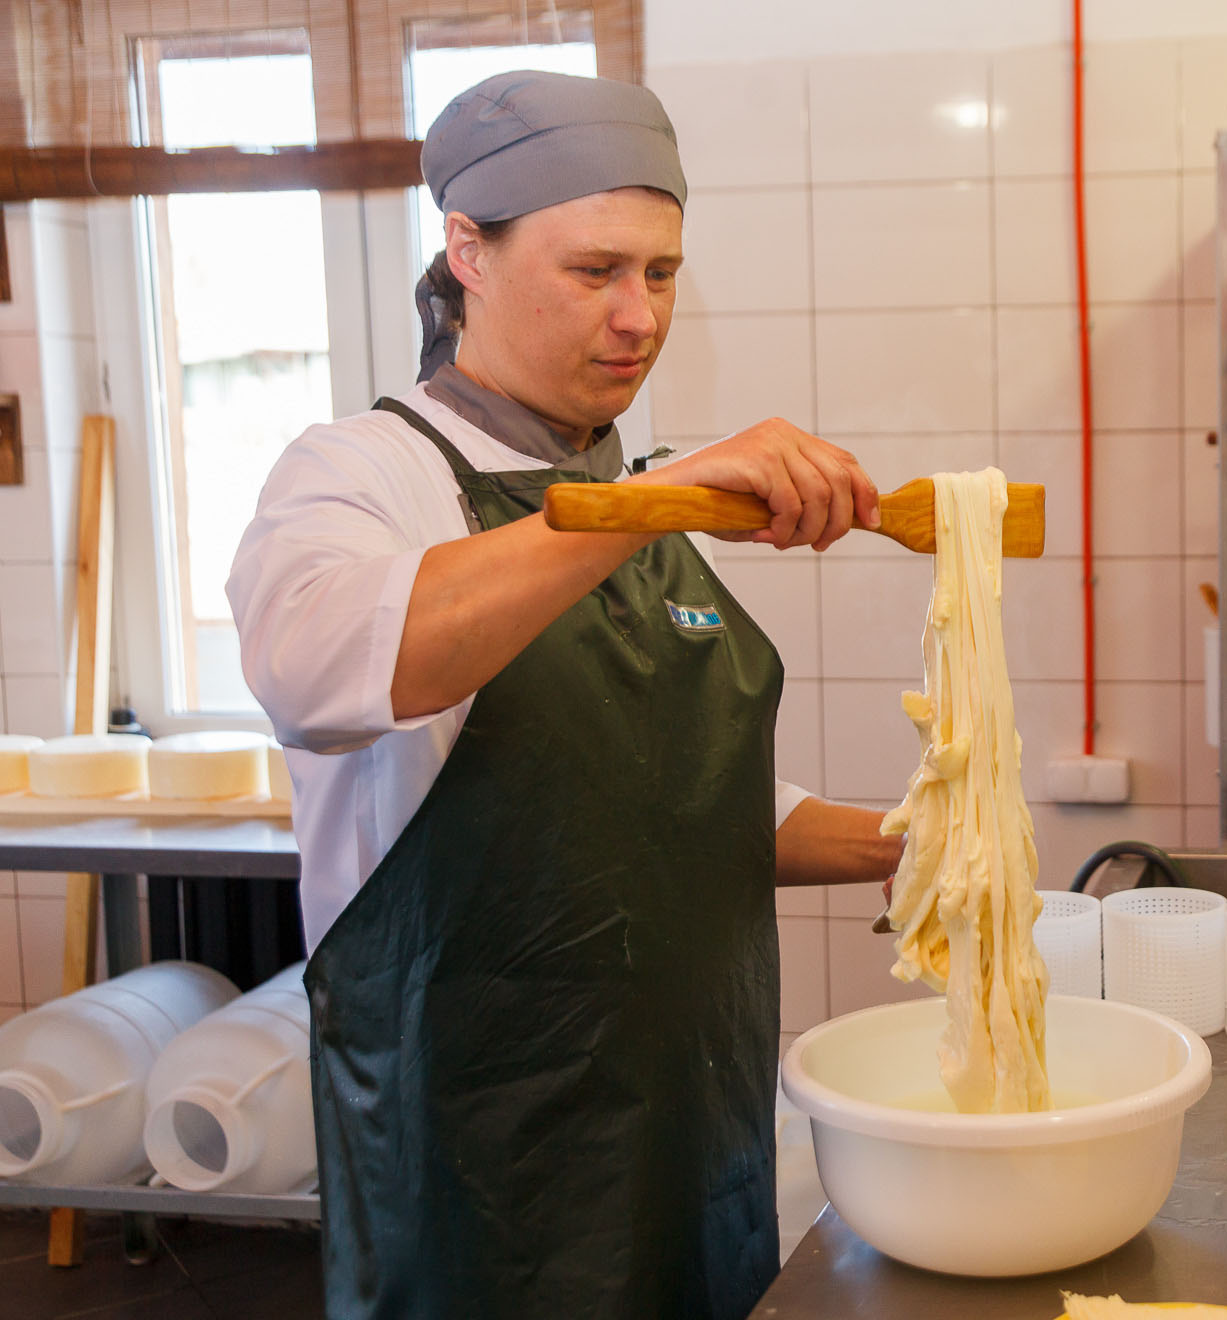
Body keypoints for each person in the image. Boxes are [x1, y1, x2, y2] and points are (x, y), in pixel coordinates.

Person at [228, 70, 901, 1320]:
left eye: (662, 273)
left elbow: (674, 803)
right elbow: (318, 669)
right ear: (467, 252)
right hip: (482, 1180)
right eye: (596, 271)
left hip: (693, 1144)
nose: (639, 316)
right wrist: (648, 502)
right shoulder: (363, 471)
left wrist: (910, 845)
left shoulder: (638, 494)